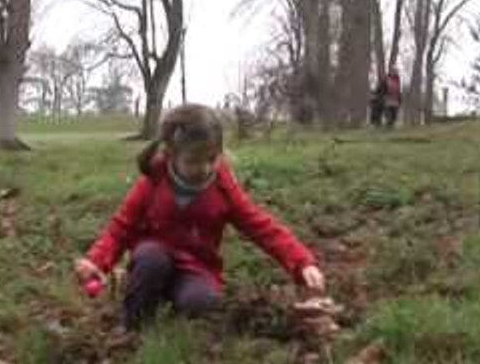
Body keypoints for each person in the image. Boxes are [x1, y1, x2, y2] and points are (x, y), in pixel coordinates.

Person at [75, 104, 326, 331]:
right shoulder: (154, 180)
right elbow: (121, 227)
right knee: (151, 261)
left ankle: (171, 300)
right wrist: (97, 261)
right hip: (153, 257)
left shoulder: (223, 189)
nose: (204, 168)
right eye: (194, 161)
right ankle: (135, 325)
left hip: (197, 267)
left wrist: (302, 262)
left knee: (201, 304)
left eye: (211, 159)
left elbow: (261, 227)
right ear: (171, 154)